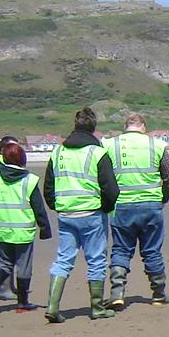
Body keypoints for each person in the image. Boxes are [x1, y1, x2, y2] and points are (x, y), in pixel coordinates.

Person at [42, 107, 120, 323]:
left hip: (66, 213)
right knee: (95, 259)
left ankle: (53, 306)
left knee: (63, 259)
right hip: (92, 213)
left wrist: (57, 206)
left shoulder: (58, 152)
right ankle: (96, 307)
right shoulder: (98, 153)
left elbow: (48, 186)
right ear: (93, 127)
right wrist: (105, 207)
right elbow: (111, 189)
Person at [104, 113, 169, 309]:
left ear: (125, 126)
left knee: (120, 249)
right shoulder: (156, 145)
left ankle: (117, 293)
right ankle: (158, 294)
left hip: (122, 206)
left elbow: (102, 176)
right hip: (150, 206)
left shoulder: (109, 145)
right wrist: (163, 199)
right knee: (152, 250)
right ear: (143, 127)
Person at [0, 141, 51, 314]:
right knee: (23, 266)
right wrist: (45, 228)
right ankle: (22, 303)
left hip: (2, 228)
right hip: (23, 230)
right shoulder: (30, 180)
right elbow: (38, 207)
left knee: (5, 262)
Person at [0, 136, 21, 299]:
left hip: (1, 211)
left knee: (6, 253)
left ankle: (7, 287)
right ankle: (2, 289)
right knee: (4, 254)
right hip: (2, 213)